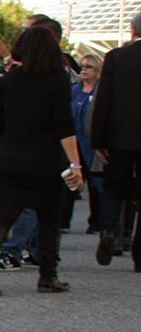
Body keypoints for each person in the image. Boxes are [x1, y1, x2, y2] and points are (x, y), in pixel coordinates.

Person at [0, 26, 84, 295]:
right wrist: (75, 164)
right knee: (49, 217)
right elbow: (64, 126)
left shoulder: (10, 79)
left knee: (4, 215)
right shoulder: (57, 80)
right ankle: (48, 276)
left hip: (9, 156)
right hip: (46, 159)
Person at [90, 10, 141, 269]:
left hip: (120, 138)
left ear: (132, 31)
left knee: (113, 187)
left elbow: (104, 101)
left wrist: (98, 139)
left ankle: (108, 230)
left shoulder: (116, 58)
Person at [66, 54, 102, 234]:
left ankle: (96, 220)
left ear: (97, 71)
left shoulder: (101, 92)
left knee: (96, 183)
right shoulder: (75, 90)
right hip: (74, 140)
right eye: (82, 66)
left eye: (88, 67)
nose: (84, 70)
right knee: (69, 180)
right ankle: (63, 220)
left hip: (92, 142)